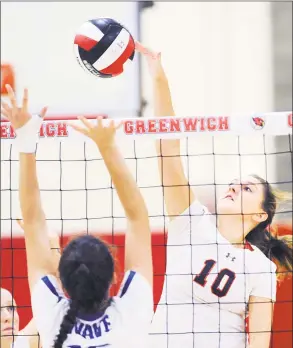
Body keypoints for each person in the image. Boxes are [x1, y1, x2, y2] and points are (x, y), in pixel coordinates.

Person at [135, 42, 293, 348]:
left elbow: (260, 342)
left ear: (260, 215)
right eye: (234, 182)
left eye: (246, 188)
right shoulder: (191, 222)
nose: (234, 187)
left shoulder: (260, 267)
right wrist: (158, 78)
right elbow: (168, 150)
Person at [1, 84, 153, 348]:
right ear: (113, 277)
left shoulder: (50, 318)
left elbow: (34, 220)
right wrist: (107, 147)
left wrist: (26, 140)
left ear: (62, 277)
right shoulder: (132, 313)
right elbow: (138, 216)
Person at [1, 221, 61, 348]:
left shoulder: (22, 344)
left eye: (11, 308)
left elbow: (52, 304)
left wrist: (53, 247)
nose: (7, 317)